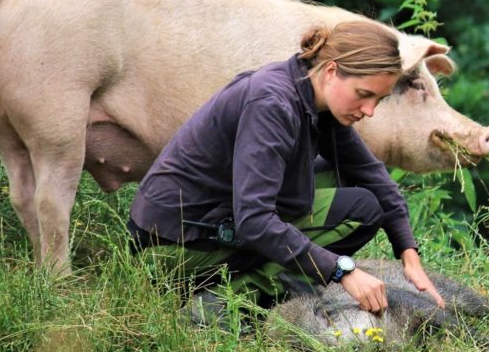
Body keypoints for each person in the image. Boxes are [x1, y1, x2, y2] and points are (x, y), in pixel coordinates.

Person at [127, 20, 445, 318]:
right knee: (356, 211)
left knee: (360, 196)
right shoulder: (271, 104)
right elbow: (254, 220)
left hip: (214, 222)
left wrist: (408, 253)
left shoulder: (315, 97)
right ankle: (219, 305)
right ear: (332, 71)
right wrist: (341, 270)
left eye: (378, 99)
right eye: (363, 95)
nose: (369, 110)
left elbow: (371, 174)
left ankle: (247, 283)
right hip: (169, 248)